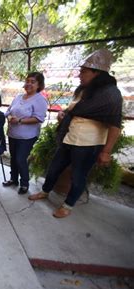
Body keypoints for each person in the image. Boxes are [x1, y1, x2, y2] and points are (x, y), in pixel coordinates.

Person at [28, 49, 123, 218]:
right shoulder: (83, 90)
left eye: (84, 71)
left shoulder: (111, 95)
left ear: (97, 73)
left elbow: (115, 125)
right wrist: (63, 115)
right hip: (69, 139)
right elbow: (74, 110)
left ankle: (68, 205)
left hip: (89, 144)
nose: (80, 75)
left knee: (79, 176)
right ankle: (45, 191)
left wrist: (106, 152)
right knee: (54, 169)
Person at [3, 72, 48, 194]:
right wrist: (8, 117)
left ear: (39, 85)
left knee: (20, 159)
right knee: (13, 158)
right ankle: (13, 179)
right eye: (27, 81)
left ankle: (24, 183)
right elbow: (8, 111)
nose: (29, 84)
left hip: (27, 136)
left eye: (32, 82)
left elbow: (39, 118)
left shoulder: (40, 100)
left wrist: (20, 120)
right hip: (13, 134)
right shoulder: (18, 97)